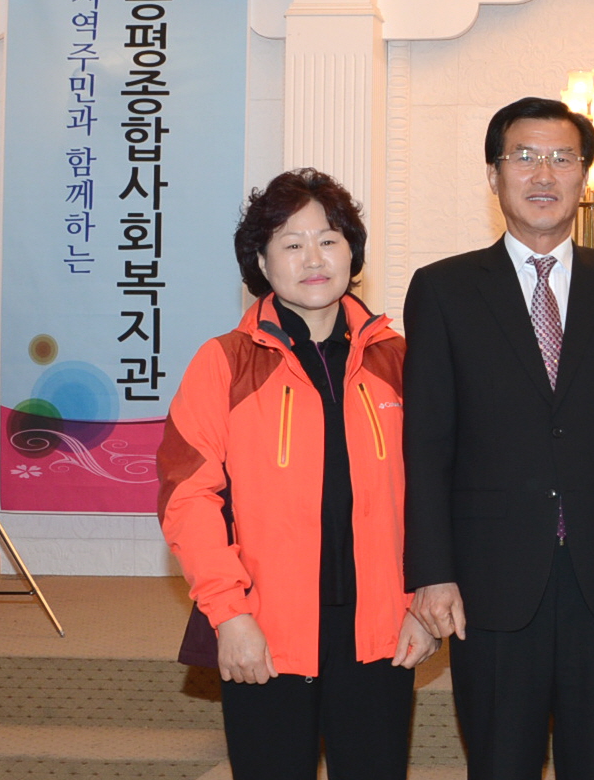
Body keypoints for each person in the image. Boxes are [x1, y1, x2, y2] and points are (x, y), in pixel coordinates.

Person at [402, 96, 594, 780]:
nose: (543, 174)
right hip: (490, 576)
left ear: (585, 176)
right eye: (523, 157)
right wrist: (432, 570)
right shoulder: (443, 289)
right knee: (500, 762)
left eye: (562, 158)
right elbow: (427, 443)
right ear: (493, 175)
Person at [158, 169, 436, 780]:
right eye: (292, 243)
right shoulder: (224, 363)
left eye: (329, 240)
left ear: (352, 254)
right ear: (261, 261)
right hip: (265, 629)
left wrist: (421, 604)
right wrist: (229, 615)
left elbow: (434, 492)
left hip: (381, 630)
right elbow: (188, 497)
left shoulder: (399, 359)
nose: (314, 258)